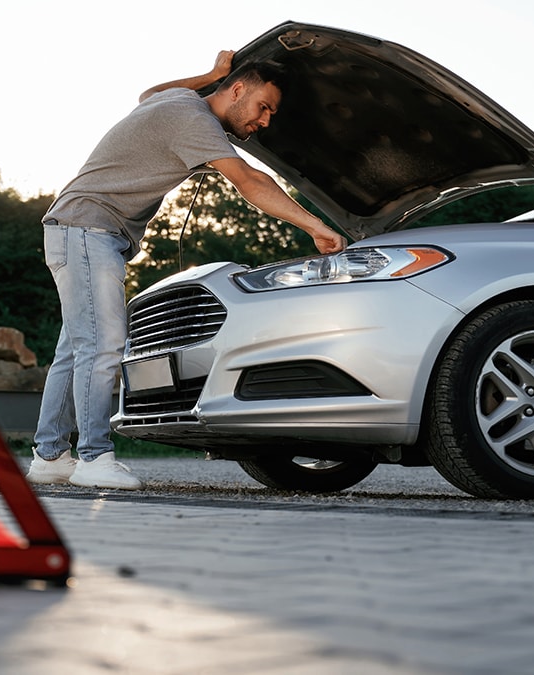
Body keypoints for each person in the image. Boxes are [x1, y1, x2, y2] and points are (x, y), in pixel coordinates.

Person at [28, 50, 347, 490]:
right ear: (237, 90)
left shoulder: (176, 100)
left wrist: (210, 74)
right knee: (102, 345)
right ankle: (94, 457)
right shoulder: (193, 119)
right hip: (89, 228)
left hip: (79, 229)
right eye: (263, 107)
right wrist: (315, 225)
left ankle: (50, 456)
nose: (266, 121)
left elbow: (147, 93)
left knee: (77, 349)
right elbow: (251, 181)